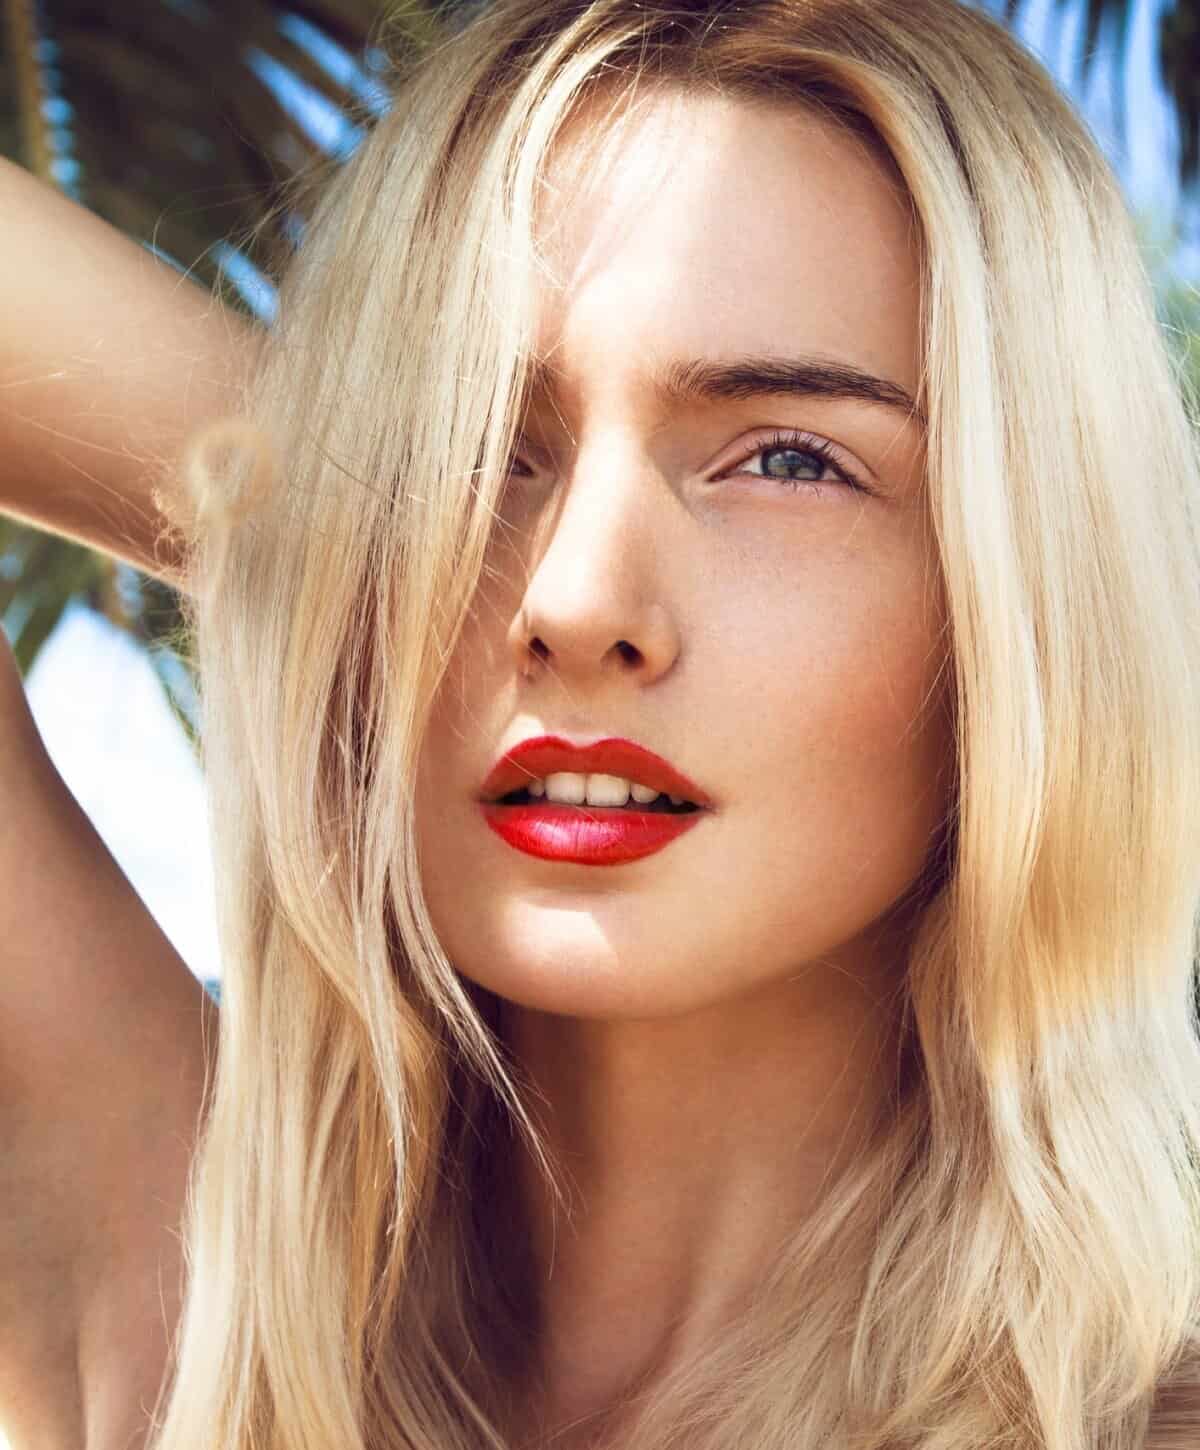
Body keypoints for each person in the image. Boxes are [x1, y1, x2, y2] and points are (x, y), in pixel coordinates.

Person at [1, 0, 1199, 1446]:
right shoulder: (196, 1312)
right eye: (472, 444)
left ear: (1026, 602)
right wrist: (330, 543)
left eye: (790, 460)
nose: (573, 601)